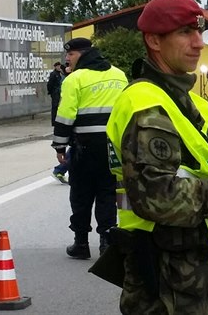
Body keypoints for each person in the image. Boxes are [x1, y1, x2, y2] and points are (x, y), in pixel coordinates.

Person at [106, 0, 208, 313]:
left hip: (189, 273)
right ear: (154, 41)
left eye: (199, 32)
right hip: (163, 278)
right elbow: (160, 197)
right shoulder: (147, 104)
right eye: (185, 33)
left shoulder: (184, 102)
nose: (199, 43)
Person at [51, 37, 127, 259]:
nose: (67, 59)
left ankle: (81, 243)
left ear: (82, 54)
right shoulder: (119, 75)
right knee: (107, 193)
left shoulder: (75, 79)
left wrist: (59, 146)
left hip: (84, 147)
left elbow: (65, 115)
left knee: (81, 194)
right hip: (113, 147)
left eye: (71, 55)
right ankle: (106, 242)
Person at [51, 63, 71, 184]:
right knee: (74, 151)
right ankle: (60, 170)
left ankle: (60, 170)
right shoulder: (68, 78)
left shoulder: (67, 76)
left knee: (74, 150)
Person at [47, 61, 64, 126]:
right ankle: (54, 121)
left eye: (60, 66)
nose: (59, 67)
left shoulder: (60, 74)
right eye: (58, 66)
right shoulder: (53, 74)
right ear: (55, 67)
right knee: (55, 106)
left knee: (59, 106)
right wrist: (51, 92)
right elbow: (50, 84)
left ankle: (58, 120)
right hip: (55, 92)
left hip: (60, 92)